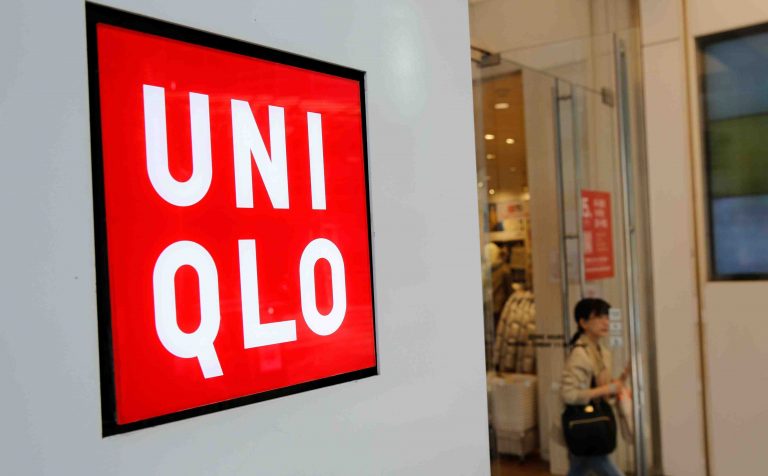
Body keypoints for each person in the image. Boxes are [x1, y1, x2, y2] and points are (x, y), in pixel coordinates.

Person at [561, 298, 629, 476]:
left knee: (579, 467)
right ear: (583, 323)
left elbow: (606, 386)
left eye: (607, 316)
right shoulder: (581, 353)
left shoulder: (601, 352)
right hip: (586, 422)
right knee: (600, 463)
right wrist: (608, 389)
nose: (606, 322)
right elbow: (569, 394)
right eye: (598, 317)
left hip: (590, 424)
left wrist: (624, 377)